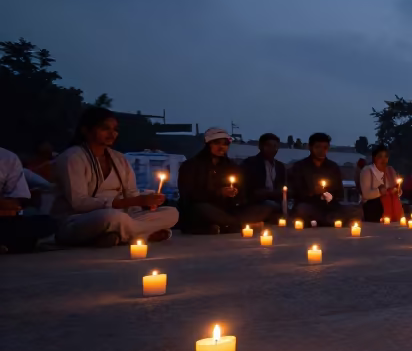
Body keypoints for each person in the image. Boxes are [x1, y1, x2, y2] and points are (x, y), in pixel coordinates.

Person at [52, 107, 177, 247]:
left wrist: (146, 203)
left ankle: (117, 236)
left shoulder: (119, 159)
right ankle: (142, 234)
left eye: (115, 129)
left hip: (123, 216)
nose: (112, 134)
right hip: (80, 219)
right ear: (86, 130)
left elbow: (131, 194)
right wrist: (127, 202)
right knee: (112, 217)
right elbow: (79, 203)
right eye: (105, 128)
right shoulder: (72, 158)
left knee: (172, 213)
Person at [178, 128, 274, 234]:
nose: (221, 147)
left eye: (225, 144)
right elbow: (188, 195)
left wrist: (236, 194)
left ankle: (224, 226)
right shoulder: (191, 165)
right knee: (202, 209)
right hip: (202, 208)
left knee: (265, 207)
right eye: (217, 143)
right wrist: (219, 192)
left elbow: (242, 192)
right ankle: (236, 225)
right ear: (208, 144)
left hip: (227, 210)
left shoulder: (231, 166)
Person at [288, 132, 359, 225]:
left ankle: (323, 220)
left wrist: (328, 195)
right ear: (310, 147)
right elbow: (296, 192)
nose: (322, 151)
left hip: (330, 206)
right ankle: (329, 220)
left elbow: (339, 192)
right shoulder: (300, 166)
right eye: (318, 147)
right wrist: (313, 192)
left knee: (355, 210)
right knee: (302, 210)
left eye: (325, 148)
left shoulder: (333, 167)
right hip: (309, 205)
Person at [0, 146, 57, 253]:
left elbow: (17, 200)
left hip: (3, 219)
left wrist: (6, 204)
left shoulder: (7, 158)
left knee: (46, 223)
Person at [240, 132, 286, 219]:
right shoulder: (250, 163)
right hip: (256, 202)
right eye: (268, 146)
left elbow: (283, 186)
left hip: (276, 201)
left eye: (275, 146)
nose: (272, 149)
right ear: (260, 146)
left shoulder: (280, 166)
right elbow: (245, 188)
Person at [358, 144, 404, 223]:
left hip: (392, 206)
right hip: (374, 208)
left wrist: (398, 190)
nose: (383, 159)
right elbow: (366, 194)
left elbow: (397, 191)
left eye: (386, 156)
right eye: (380, 156)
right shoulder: (367, 171)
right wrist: (380, 192)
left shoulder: (390, 170)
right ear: (374, 158)